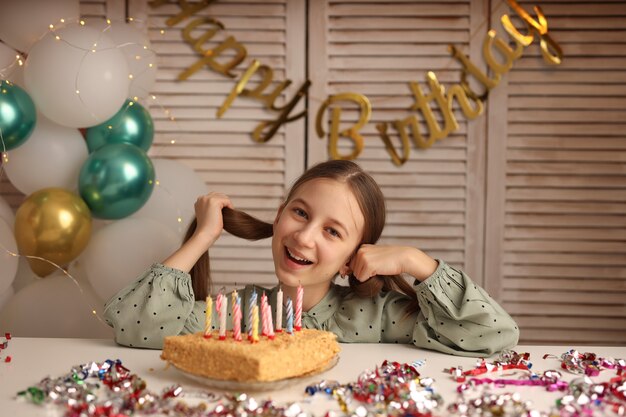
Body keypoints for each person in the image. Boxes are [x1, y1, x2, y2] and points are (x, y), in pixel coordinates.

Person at [104, 160, 519, 356]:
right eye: (300, 213)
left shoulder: (376, 316)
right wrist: (203, 236)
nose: (303, 235)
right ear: (281, 214)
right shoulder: (242, 312)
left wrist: (416, 261)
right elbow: (135, 325)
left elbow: (495, 334)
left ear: (352, 258)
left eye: (332, 231)